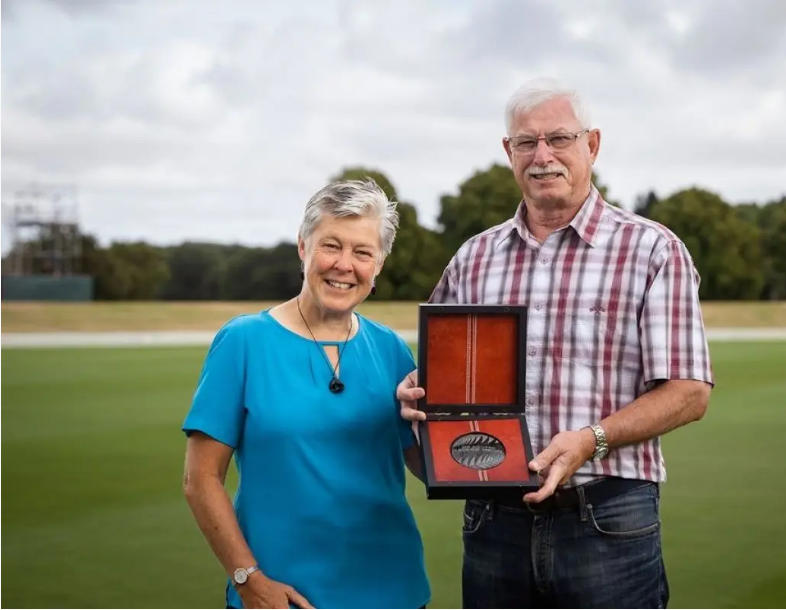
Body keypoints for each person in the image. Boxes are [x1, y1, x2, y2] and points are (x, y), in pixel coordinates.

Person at [398, 78, 714, 608]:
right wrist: (416, 392)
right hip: (493, 522)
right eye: (526, 142)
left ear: (592, 144)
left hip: (607, 518)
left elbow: (689, 391)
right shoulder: (474, 258)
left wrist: (591, 439)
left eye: (559, 139)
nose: (542, 156)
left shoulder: (652, 250)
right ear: (509, 152)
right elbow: (439, 379)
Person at [182, 179, 430, 609]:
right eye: (331, 245)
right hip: (281, 596)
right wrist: (248, 580)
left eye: (363, 252)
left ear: (379, 265)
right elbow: (200, 480)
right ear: (303, 246)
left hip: (393, 590)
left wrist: (466, 430)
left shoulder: (391, 348)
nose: (344, 265)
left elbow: (426, 467)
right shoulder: (243, 342)